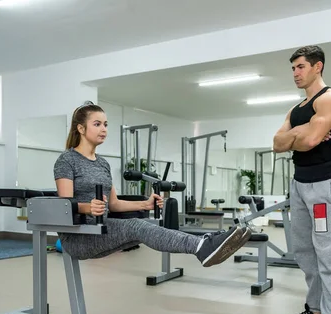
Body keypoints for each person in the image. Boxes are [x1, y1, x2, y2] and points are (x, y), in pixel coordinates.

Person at [53, 101, 252, 267]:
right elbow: (63, 206)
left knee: (144, 228)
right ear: (81, 128)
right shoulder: (67, 160)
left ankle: (205, 243)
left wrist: (144, 205)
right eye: (97, 124)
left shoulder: (103, 163)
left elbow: (113, 204)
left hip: (101, 229)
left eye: (106, 124)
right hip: (78, 236)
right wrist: (87, 207)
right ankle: (202, 246)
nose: (104, 129)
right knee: (136, 226)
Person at [272, 45, 331, 314]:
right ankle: (316, 311)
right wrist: (303, 131)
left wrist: (302, 135)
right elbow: (278, 143)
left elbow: (312, 141)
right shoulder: (297, 108)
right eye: (293, 68)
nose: (295, 73)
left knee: (328, 253)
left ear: (318, 66)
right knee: (303, 250)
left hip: (323, 185)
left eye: (300, 67)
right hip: (299, 184)